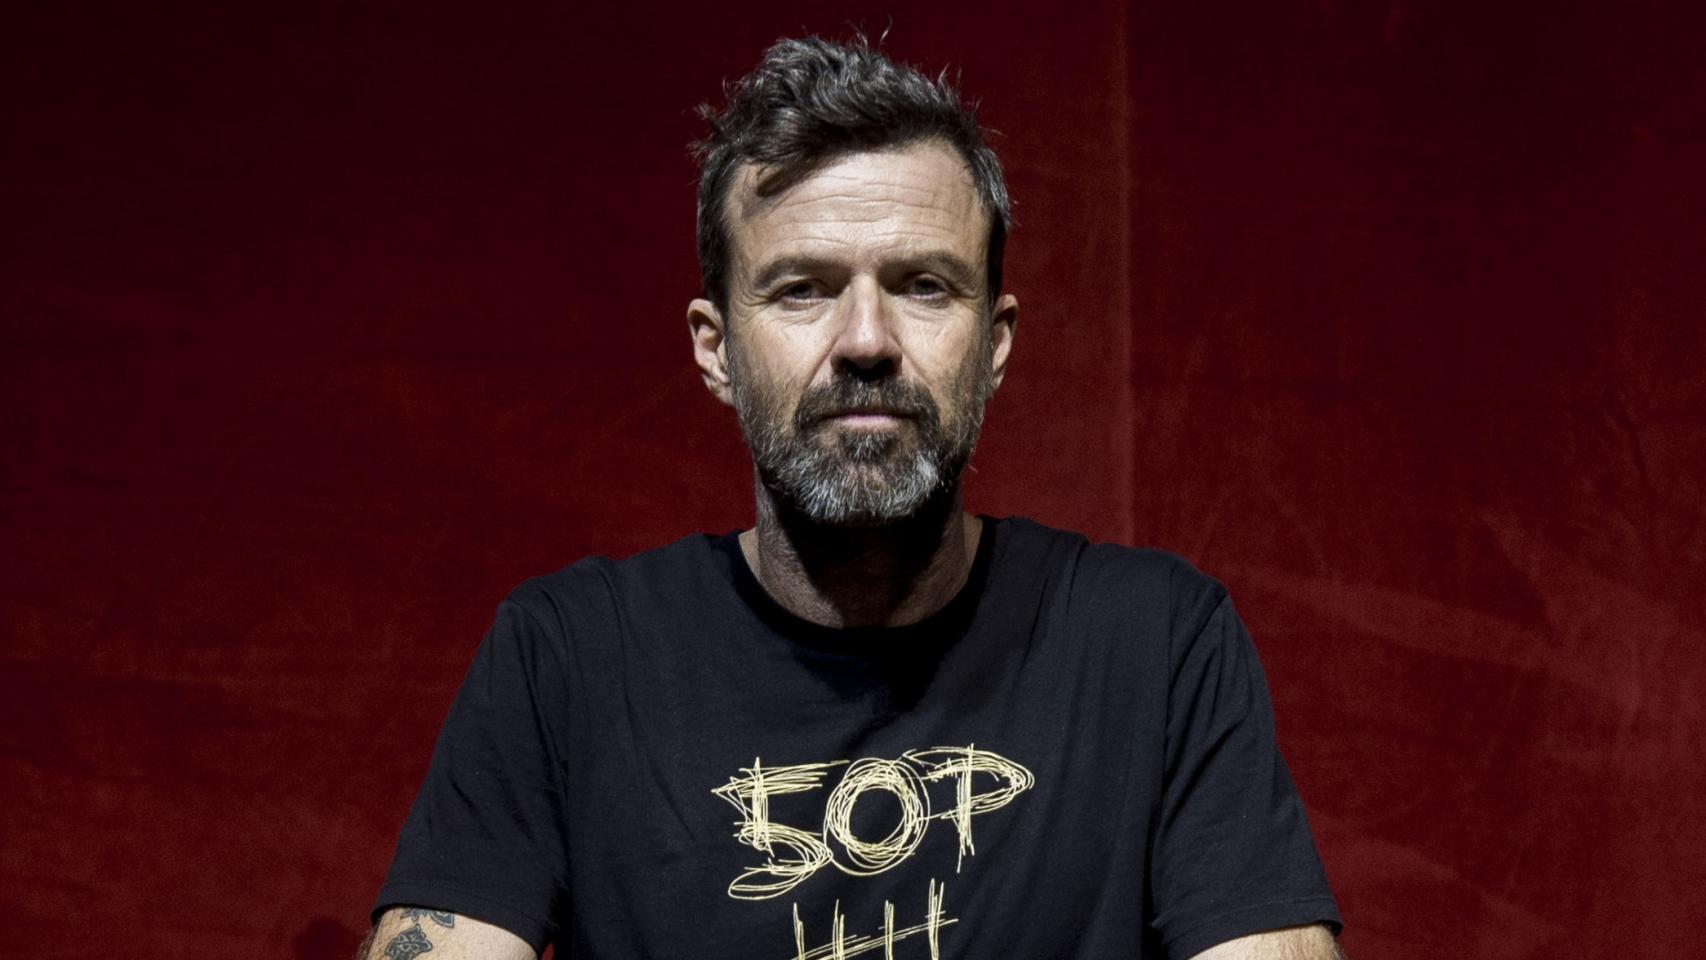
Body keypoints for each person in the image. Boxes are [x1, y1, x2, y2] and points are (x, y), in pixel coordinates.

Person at [362, 35, 1344, 960]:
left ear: (994, 344)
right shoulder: (569, 658)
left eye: (923, 285)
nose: (866, 340)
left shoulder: (1154, 645)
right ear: (717, 349)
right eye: (802, 289)